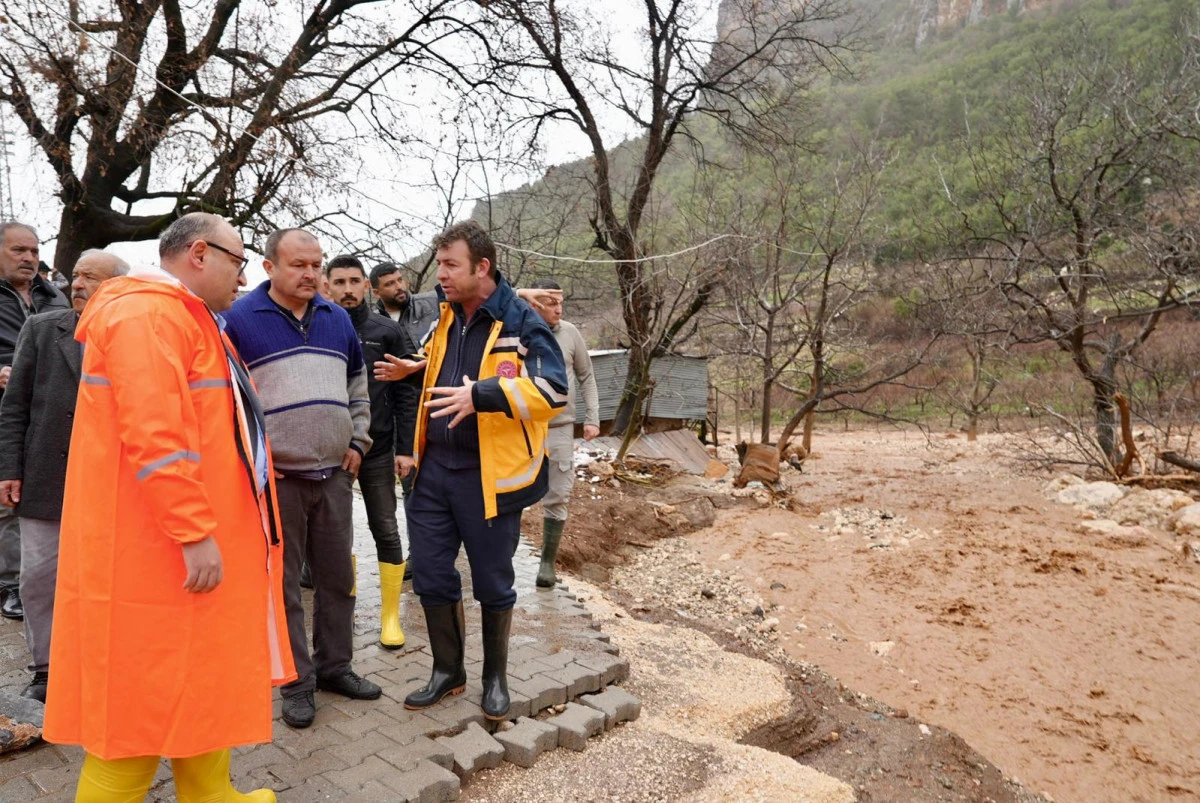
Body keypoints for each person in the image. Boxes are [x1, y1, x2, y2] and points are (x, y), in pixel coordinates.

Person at [44, 212, 294, 801]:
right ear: (201, 254)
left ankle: (213, 794)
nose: (246, 276)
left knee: (197, 683)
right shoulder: (147, 314)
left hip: (177, 551)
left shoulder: (186, 317)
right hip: (158, 555)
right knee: (136, 716)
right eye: (240, 261)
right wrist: (193, 530)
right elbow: (155, 437)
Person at [375, 220, 568, 722]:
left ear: (482, 268)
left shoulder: (522, 322)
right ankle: (447, 673)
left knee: (492, 582)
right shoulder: (446, 315)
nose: (439, 273)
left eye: (449, 265)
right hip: (433, 473)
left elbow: (554, 391)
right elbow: (440, 356)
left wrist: (481, 395)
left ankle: (495, 679)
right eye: (439, 263)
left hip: (488, 479)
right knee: (434, 577)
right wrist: (412, 368)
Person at [223, 228, 380, 731]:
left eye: (316, 264)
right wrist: (252, 464)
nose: (311, 273)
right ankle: (296, 681)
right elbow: (228, 399)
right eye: (299, 264)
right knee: (283, 585)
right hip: (277, 481)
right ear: (270, 267)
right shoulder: (240, 320)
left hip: (334, 474)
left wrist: (358, 441)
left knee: (338, 579)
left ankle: (336, 667)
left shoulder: (337, 319)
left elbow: (359, 383)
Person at [0, 250, 129, 703]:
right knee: (39, 578)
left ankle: (101, 665)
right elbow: (15, 405)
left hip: (110, 484)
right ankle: (46, 671)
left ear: (117, 287)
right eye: (75, 275)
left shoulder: (132, 336)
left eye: (91, 277)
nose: (77, 284)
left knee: (103, 581)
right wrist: (8, 469)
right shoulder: (41, 329)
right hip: (45, 477)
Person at [326, 255, 409, 649]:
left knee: (386, 528)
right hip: (330, 451)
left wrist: (405, 449)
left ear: (366, 287)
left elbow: (407, 392)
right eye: (339, 282)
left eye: (354, 281)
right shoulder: (318, 326)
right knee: (336, 536)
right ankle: (349, 613)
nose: (347, 289)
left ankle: (390, 617)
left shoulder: (387, 331)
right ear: (327, 286)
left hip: (376, 448)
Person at [0, 222, 68, 622]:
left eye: (34, 250)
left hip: (46, 409)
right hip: (4, 409)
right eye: (18, 250)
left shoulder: (53, 294)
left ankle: (46, 580)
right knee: (8, 499)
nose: (29, 258)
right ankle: (11, 586)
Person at [527, 279, 601, 588]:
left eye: (560, 303)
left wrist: (592, 418)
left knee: (558, 494)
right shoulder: (520, 331)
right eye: (551, 303)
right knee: (507, 492)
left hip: (559, 428)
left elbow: (586, 375)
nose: (558, 308)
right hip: (523, 428)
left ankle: (547, 563)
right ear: (535, 304)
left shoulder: (571, 333)